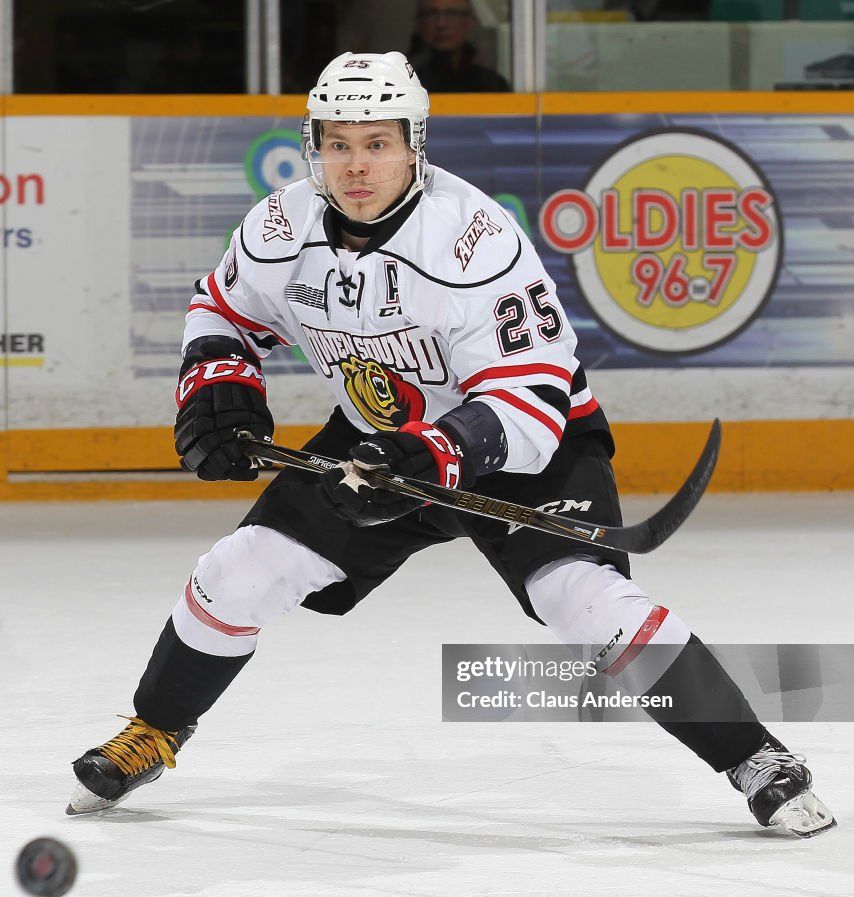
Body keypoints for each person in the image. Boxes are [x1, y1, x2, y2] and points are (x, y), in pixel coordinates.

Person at [68, 51, 834, 839]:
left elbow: (535, 400)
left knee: (584, 600)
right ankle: (153, 731)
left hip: (520, 446)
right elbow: (222, 308)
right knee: (239, 569)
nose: (356, 165)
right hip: (383, 443)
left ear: (414, 143)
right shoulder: (278, 227)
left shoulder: (473, 242)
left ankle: (756, 757)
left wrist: (440, 449)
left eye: (377, 143)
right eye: (337, 143)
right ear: (312, 144)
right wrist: (219, 386)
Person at [408, 0, 510, 93]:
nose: (441, 24)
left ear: (470, 22)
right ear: (418, 22)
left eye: (451, 14)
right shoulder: (401, 80)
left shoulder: (492, 84)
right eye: (431, 13)